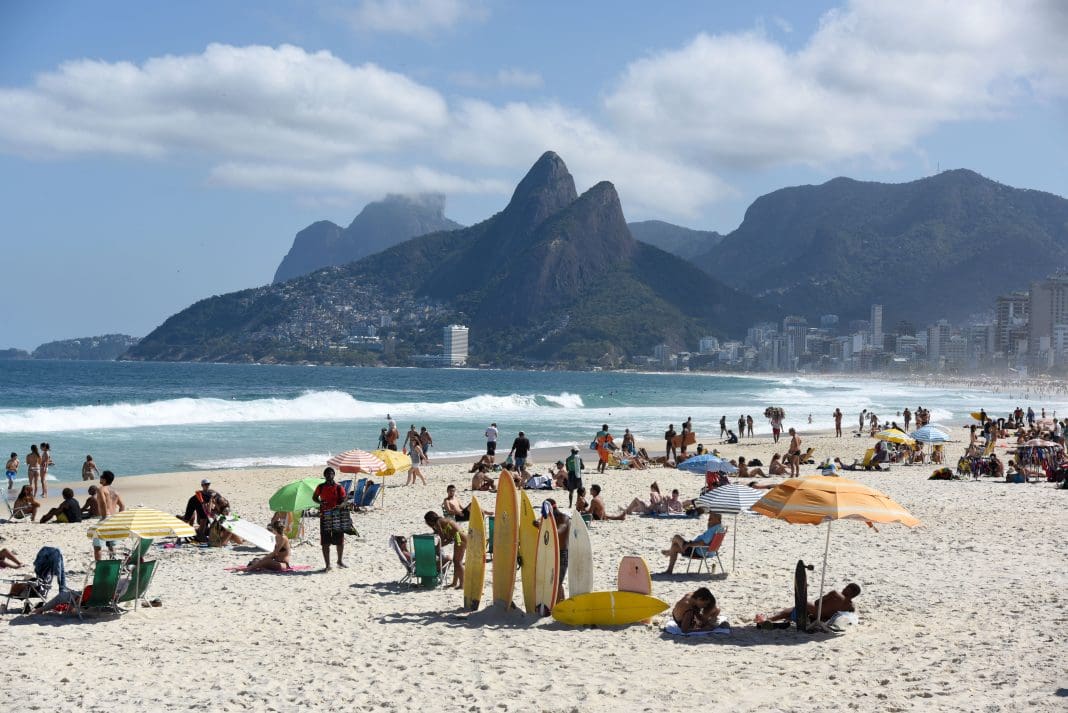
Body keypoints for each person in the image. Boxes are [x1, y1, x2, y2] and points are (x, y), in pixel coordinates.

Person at [757, 583, 861, 626]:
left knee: (800, 605)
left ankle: (770, 620)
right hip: (824, 619)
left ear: (848, 589)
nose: (843, 588)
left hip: (816, 612)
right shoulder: (851, 607)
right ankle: (788, 620)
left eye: (846, 587)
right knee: (800, 612)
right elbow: (846, 619)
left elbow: (817, 602)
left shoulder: (835, 594)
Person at [536, 499, 571, 602]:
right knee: (552, 581)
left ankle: (561, 603)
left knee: (558, 582)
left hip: (562, 554)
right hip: (551, 553)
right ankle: (558, 603)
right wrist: (540, 522)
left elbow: (560, 530)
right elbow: (536, 521)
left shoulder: (564, 518)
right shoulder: (551, 518)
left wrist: (549, 529)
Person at [313, 467, 347, 570]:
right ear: (325, 475)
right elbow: (314, 497)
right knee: (325, 542)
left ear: (334, 475)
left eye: (331, 473)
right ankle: (327, 565)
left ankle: (339, 561)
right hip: (325, 517)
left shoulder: (338, 487)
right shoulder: (321, 487)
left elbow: (345, 500)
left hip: (337, 516)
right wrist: (320, 502)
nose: (329, 475)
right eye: (327, 474)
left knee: (340, 541)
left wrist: (340, 506)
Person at [424, 511, 466, 589]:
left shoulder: (438, 523)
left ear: (430, 520)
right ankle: (454, 583)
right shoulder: (443, 520)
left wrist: (436, 547)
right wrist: (438, 546)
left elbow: (443, 539)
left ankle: (462, 585)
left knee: (458, 562)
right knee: (456, 561)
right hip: (461, 536)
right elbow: (449, 539)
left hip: (460, 538)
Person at [93, 470, 125, 561]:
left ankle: (98, 565)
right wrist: (119, 518)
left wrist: (104, 516)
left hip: (105, 517)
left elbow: (103, 503)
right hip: (114, 519)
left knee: (97, 545)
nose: (100, 477)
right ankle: (113, 561)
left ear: (105, 479)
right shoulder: (115, 492)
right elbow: (122, 506)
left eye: (102, 476)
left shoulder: (101, 489)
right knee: (111, 544)